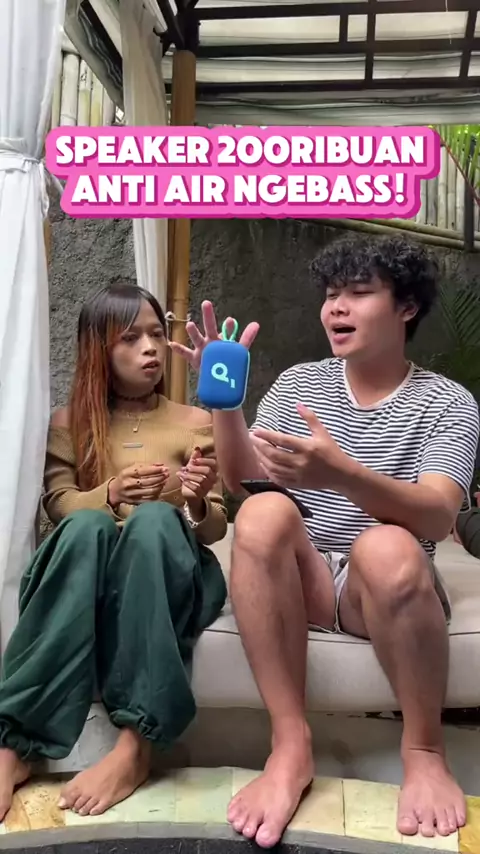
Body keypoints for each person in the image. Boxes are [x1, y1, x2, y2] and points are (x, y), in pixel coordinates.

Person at [171, 234, 480, 849]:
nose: (337, 307)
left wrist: (339, 473)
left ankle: (423, 750)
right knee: (263, 514)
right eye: (332, 294)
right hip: (307, 578)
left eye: (359, 293)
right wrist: (224, 402)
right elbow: (243, 481)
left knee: (385, 546)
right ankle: (290, 746)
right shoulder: (298, 385)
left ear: (406, 307)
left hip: (385, 587)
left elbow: (434, 516)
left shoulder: (448, 401)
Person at [0, 282, 228, 821]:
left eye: (155, 335)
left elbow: (215, 527)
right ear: (98, 349)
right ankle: (14, 747)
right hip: (92, 569)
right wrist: (110, 493)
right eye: (130, 338)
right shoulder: (69, 424)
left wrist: (196, 500)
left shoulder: (195, 421)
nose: (150, 348)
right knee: (86, 527)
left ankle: (136, 744)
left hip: (168, 568)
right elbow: (58, 505)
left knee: (153, 520)